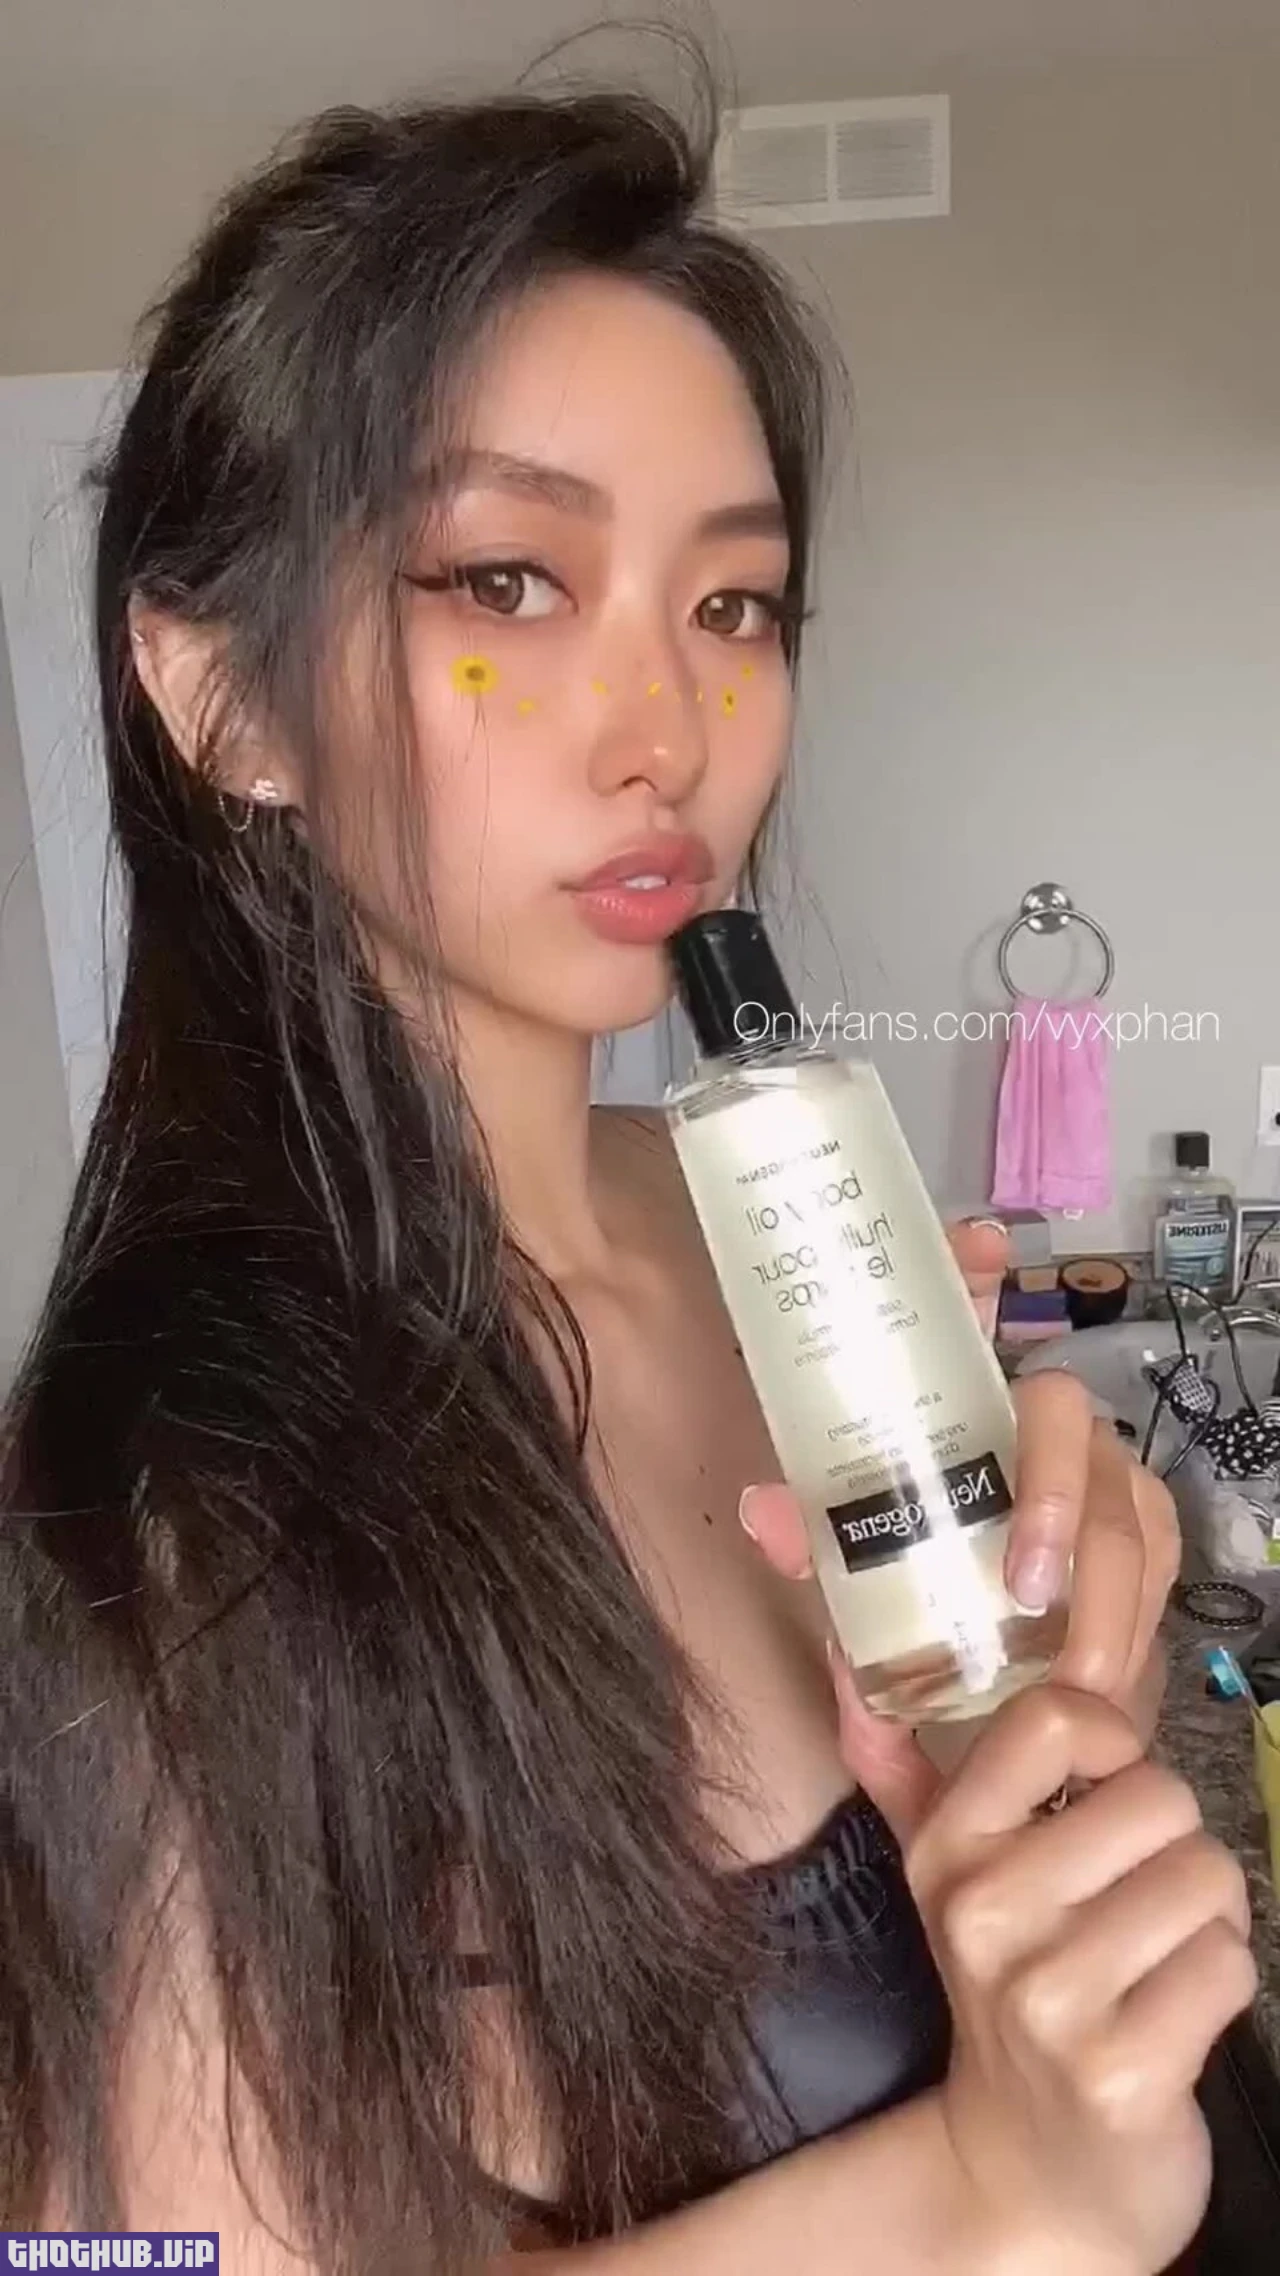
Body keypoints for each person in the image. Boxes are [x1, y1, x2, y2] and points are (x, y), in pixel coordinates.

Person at [0, 60, 1254, 2276]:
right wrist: (996, 2188)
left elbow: (1014, 1822)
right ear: (221, 701)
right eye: (508, 580)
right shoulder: (163, 1528)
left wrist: (1068, 1690)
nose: (668, 729)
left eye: (735, 607)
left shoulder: (783, 1235)